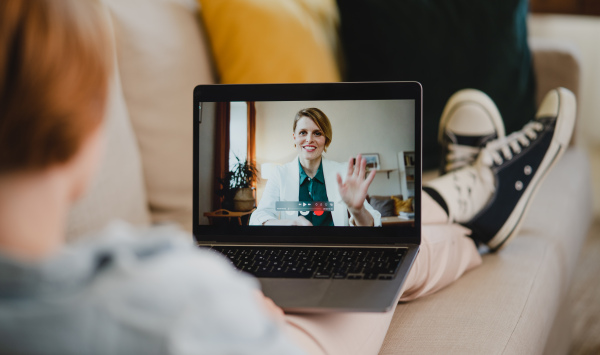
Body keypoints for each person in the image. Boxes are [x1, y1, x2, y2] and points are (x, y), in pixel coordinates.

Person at [0, 0, 576, 354]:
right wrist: (233, 298)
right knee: (398, 256)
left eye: (313, 134)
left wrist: (353, 208)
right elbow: (258, 221)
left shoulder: (139, 269)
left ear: (323, 140)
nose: (305, 141)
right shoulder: (181, 302)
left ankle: (459, 197)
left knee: (380, 243)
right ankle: (470, 204)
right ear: (84, 131)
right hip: (268, 300)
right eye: (298, 133)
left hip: (274, 265)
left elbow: (367, 224)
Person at [249, 108, 381, 227]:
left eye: (317, 133)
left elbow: (371, 225)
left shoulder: (344, 172)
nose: (309, 139)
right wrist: (292, 223)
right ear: (294, 137)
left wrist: (358, 211)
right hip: (294, 250)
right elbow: (258, 218)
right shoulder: (279, 174)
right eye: (303, 132)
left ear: (326, 139)